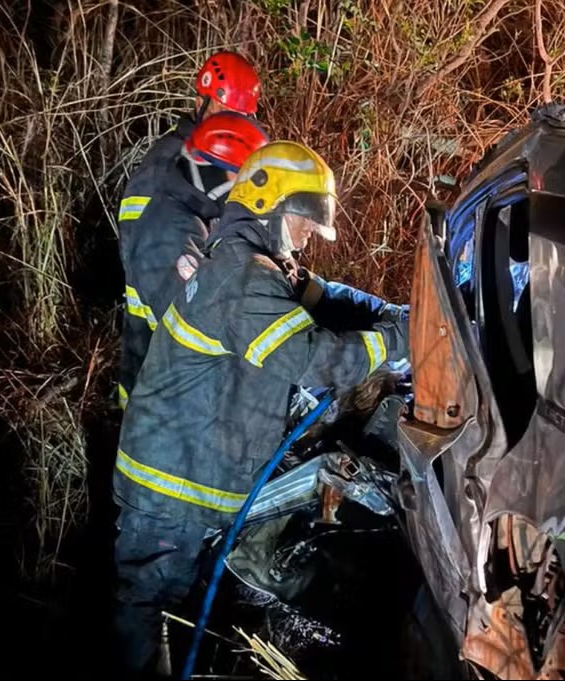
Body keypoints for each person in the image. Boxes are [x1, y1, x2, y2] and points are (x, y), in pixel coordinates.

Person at [111, 141, 409, 673]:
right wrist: (400, 338)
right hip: (171, 488)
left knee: (167, 608)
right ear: (274, 207)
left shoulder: (250, 264)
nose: (308, 239)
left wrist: (389, 312)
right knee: (149, 608)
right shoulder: (246, 279)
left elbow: (322, 294)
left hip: (181, 478)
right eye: (303, 227)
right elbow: (315, 361)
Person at [116, 51, 261, 407]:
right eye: (223, 113)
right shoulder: (168, 170)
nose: (232, 124)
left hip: (182, 364)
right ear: (199, 102)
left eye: (241, 117)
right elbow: (166, 272)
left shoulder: (223, 160)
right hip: (158, 360)